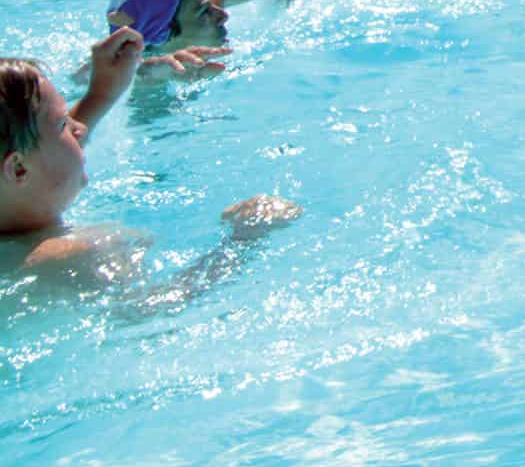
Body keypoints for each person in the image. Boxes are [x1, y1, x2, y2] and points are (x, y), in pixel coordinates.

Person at [1, 29, 303, 282]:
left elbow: (42, 148)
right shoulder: (68, 258)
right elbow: (158, 310)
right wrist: (244, 238)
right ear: (18, 170)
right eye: (63, 124)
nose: (80, 128)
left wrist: (102, 92)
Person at [104, 0, 296, 73]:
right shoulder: (141, 71)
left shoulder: (200, 4)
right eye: (204, 12)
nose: (223, 15)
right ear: (165, 35)